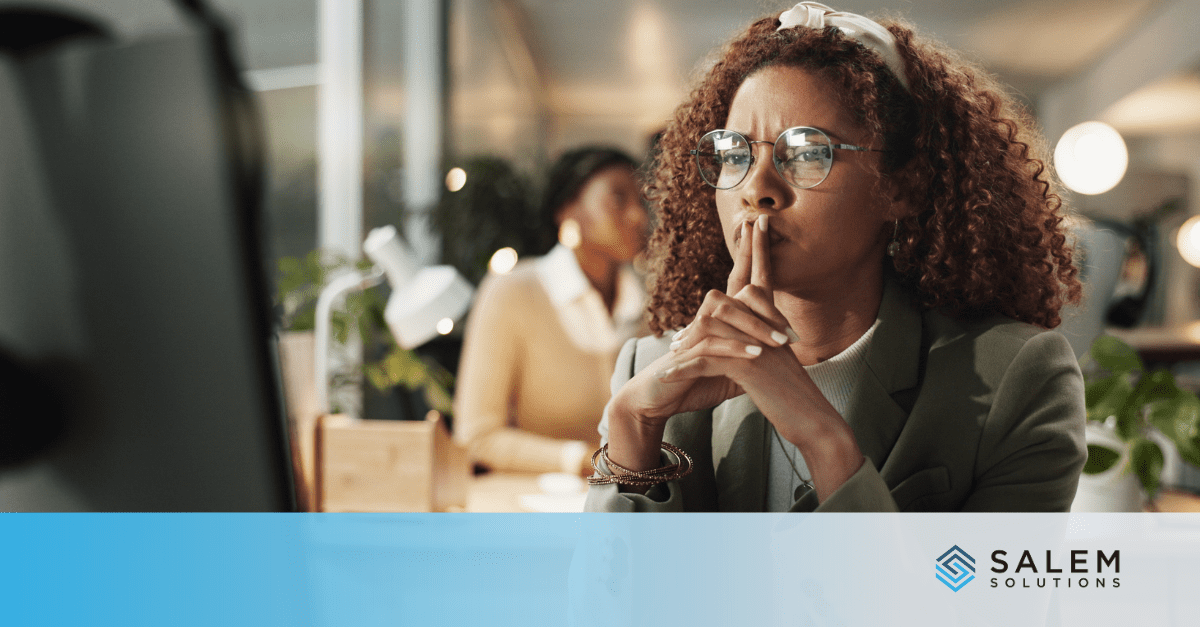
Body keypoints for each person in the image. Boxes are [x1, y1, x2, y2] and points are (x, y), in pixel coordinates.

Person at [584, 2, 1087, 512]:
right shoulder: (647, 372)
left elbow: (979, 593)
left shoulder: (1018, 378)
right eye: (735, 154)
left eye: (806, 152)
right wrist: (632, 427)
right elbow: (612, 594)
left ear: (902, 186)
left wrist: (820, 435)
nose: (756, 188)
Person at [454, 147, 649, 475]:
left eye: (642, 201)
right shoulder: (513, 292)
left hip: (637, 507)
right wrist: (585, 461)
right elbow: (477, 436)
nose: (638, 216)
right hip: (535, 508)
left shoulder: (653, 299)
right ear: (567, 210)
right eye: (618, 199)